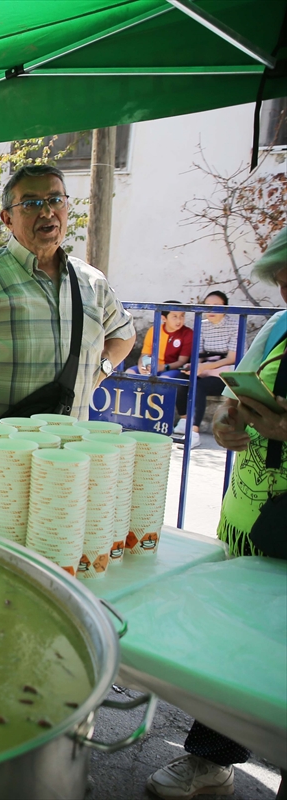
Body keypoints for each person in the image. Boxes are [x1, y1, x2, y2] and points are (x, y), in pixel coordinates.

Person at [145, 230, 287, 800]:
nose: (282, 284)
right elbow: (237, 409)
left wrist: (279, 428)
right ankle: (211, 759)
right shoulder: (278, 326)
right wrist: (231, 427)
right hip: (255, 515)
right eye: (279, 274)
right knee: (239, 643)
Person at [0, 164, 136, 426]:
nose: (47, 211)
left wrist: (102, 368)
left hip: (70, 452)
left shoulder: (91, 282)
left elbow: (124, 333)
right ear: (7, 219)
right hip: (2, 450)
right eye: (31, 204)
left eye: (55, 200)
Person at [172, 290, 241, 446]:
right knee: (181, 379)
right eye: (208, 305)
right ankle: (184, 420)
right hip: (204, 368)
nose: (211, 310)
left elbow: (232, 358)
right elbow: (199, 353)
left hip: (225, 372)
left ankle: (193, 433)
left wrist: (205, 367)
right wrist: (193, 366)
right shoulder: (202, 325)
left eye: (216, 306)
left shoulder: (235, 326)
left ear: (225, 307)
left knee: (199, 387)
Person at [127, 301, 193, 376]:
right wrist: (141, 366)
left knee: (164, 379)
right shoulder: (154, 330)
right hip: (152, 367)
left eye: (182, 316)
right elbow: (145, 354)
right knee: (129, 373)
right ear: (164, 318)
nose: (179, 320)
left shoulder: (188, 333)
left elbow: (182, 361)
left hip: (172, 369)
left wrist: (163, 367)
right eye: (175, 316)